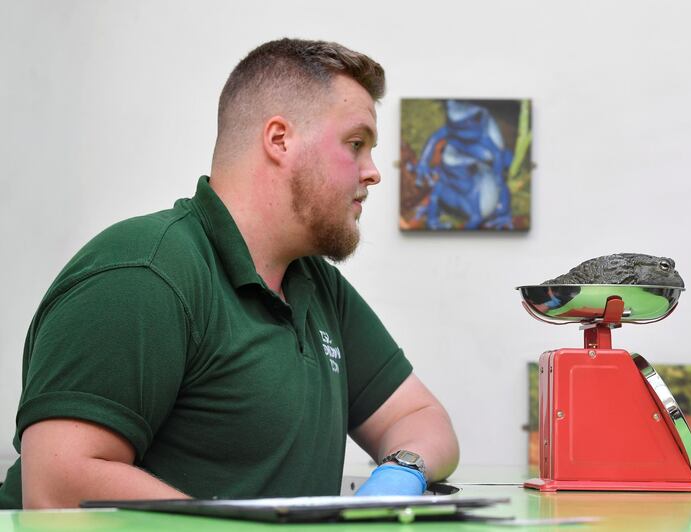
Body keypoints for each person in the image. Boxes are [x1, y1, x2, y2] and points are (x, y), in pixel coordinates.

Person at [0, 38, 459, 509]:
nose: (373, 172)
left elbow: (423, 416)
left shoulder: (317, 287)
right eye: (356, 144)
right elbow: (57, 486)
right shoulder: (145, 272)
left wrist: (403, 469)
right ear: (280, 140)